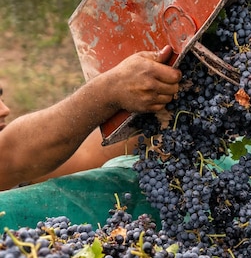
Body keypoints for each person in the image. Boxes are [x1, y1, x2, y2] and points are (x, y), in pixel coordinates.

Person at [0, 45, 181, 191]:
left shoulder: (21, 175)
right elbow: (11, 154)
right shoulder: (12, 163)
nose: (4, 110)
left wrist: (162, 119)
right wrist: (110, 89)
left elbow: (87, 154)